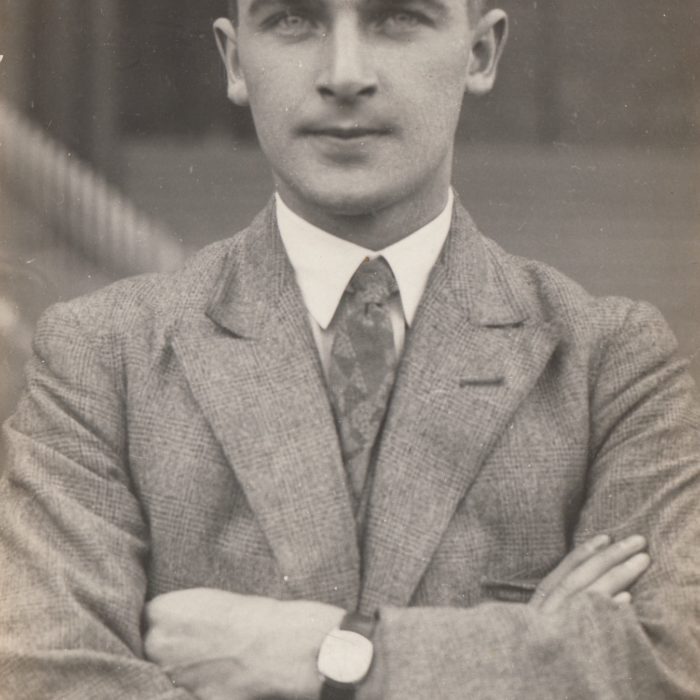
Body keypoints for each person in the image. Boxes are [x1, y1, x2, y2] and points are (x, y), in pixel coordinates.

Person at [1, 0, 699, 698]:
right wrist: (526, 655)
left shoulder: (609, 366)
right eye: (293, 20)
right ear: (236, 61)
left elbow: (672, 663)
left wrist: (325, 656)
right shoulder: (103, 359)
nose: (343, 74)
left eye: (397, 18)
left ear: (480, 53)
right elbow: (48, 680)